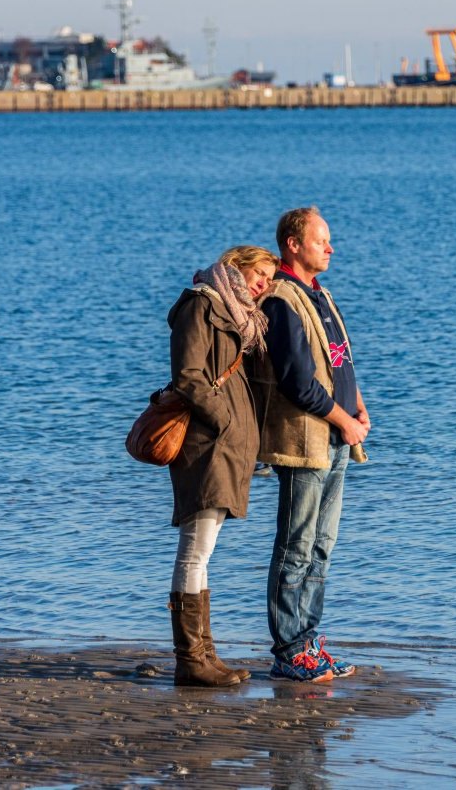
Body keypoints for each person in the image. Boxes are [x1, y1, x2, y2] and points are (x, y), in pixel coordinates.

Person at [252, 206, 369, 684]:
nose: (331, 247)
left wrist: (359, 410)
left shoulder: (320, 294)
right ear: (293, 244)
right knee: (296, 546)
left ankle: (309, 639)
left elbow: (340, 362)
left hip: (339, 436)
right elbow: (299, 383)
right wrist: (345, 419)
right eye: (322, 240)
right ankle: (288, 648)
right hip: (306, 442)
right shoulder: (281, 299)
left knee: (323, 546)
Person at [167, 244, 278, 687]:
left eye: (270, 278)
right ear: (237, 265)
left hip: (225, 446)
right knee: (195, 550)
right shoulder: (200, 305)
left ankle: (203, 655)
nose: (264, 284)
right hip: (206, 444)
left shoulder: (235, 314)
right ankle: (191, 660)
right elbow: (188, 376)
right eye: (260, 273)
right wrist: (225, 420)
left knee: (203, 552)